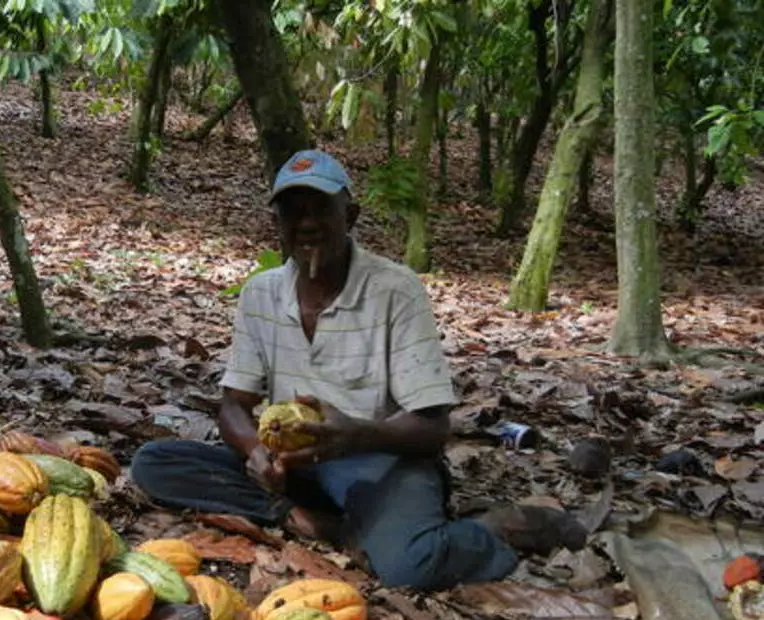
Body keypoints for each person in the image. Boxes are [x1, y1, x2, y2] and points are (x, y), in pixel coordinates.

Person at [131, 149, 581, 590]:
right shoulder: (261, 293)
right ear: (278, 226)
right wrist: (255, 452)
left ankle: (495, 529)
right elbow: (234, 404)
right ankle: (315, 521)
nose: (306, 223)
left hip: (376, 460)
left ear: (351, 216)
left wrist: (354, 436)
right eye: (292, 212)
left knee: (409, 568)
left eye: (320, 209)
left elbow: (432, 426)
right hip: (295, 467)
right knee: (155, 463)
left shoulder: (395, 290)